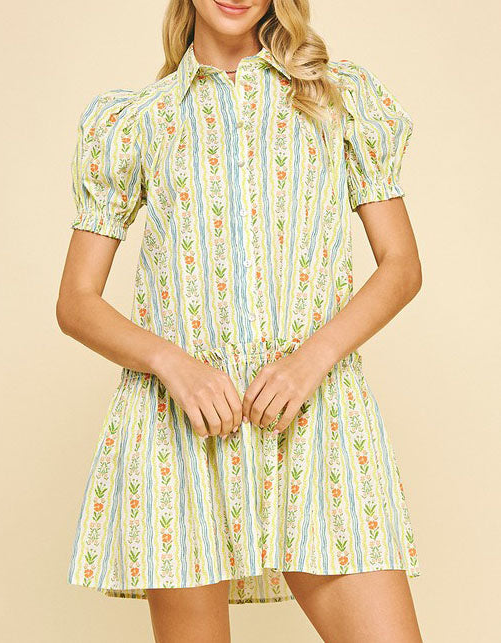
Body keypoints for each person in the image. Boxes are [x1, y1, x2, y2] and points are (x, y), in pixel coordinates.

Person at [57, 0, 423, 640]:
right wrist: (172, 363)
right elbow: (76, 301)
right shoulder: (137, 120)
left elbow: (401, 266)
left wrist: (311, 360)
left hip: (318, 415)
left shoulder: (336, 99)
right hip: (182, 429)